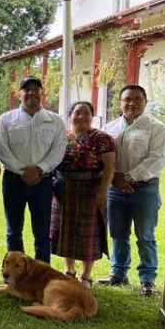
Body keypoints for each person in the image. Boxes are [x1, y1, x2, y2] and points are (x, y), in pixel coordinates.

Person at [98, 84, 165, 295]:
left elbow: (156, 160)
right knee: (118, 234)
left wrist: (128, 177)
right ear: (120, 103)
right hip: (115, 190)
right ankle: (118, 274)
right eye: (127, 99)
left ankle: (147, 279)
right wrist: (115, 181)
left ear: (145, 102)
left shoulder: (157, 129)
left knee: (145, 235)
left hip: (144, 190)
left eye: (137, 99)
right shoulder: (110, 128)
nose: (132, 103)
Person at [0, 76, 67, 263]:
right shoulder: (6, 119)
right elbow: (2, 148)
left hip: (43, 181)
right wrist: (22, 171)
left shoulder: (54, 121)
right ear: (19, 94)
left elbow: (58, 149)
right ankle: (16, 275)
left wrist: (39, 169)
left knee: (42, 232)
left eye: (36, 89)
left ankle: (42, 273)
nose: (31, 93)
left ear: (42, 93)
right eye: (27, 89)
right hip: (13, 180)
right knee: (13, 231)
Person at [49, 101, 115, 289]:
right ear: (69, 116)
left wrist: (103, 190)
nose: (81, 117)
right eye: (77, 113)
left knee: (89, 234)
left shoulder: (102, 138)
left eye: (86, 113)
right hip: (63, 190)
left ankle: (86, 276)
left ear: (92, 116)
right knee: (66, 232)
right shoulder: (61, 137)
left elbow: (110, 167)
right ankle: (69, 271)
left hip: (91, 190)